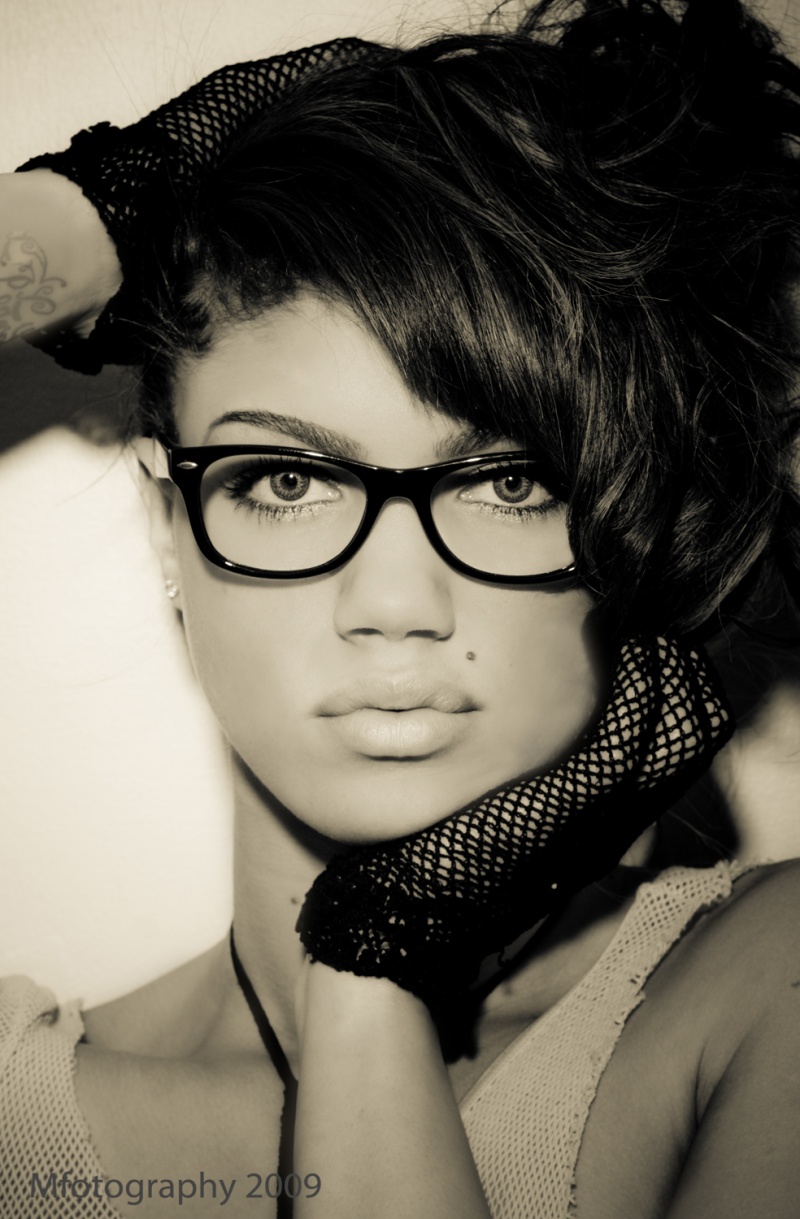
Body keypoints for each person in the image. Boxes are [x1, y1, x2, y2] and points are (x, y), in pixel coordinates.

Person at [2, 2, 800, 1216]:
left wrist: (372, 957)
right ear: (171, 529)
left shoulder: (761, 997)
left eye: (510, 481)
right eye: (287, 481)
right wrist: (102, 205)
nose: (392, 604)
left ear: (635, 525)